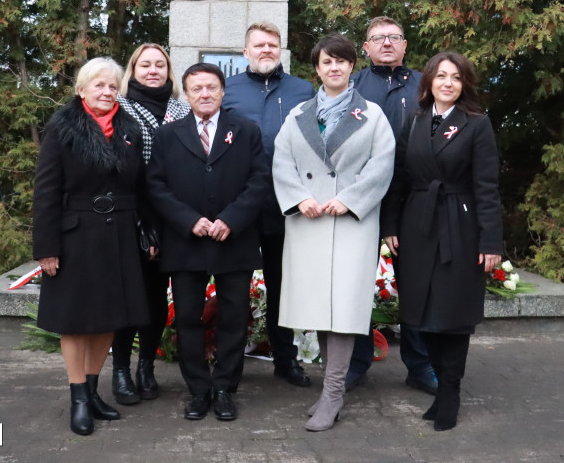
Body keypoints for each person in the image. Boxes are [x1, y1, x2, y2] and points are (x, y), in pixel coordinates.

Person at [272, 33, 395, 431]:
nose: (335, 68)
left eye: (341, 61)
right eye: (327, 62)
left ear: (351, 66)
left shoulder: (372, 115)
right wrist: (297, 197)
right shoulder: (298, 114)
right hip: (309, 220)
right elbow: (282, 161)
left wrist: (351, 199)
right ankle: (330, 389)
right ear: (318, 69)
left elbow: (382, 165)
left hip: (350, 223)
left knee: (343, 308)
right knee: (318, 308)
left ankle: (333, 392)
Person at [380, 52, 504, 431]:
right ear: (429, 81)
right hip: (417, 226)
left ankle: (449, 391)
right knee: (420, 314)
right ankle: (435, 375)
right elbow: (397, 179)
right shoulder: (414, 121)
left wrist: (491, 242)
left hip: (459, 226)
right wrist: (390, 226)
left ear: (464, 84)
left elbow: (487, 188)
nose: (448, 83)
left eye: (456, 77)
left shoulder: (476, 124)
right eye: (441, 76)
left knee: (451, 315)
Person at [145, 63, 270, 422]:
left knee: (234, 317)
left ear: (222, 91)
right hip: (187, 241)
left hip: (234, 238)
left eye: (211, 87)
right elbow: (156, 185)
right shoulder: (168, 135)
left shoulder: (246, 131)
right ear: (186, 94)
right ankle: (199, 390)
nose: (205, 94)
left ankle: (226, 389)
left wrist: (230, 219)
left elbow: (259, 180)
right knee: (187, 318)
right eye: (197, 88)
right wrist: (189, 221)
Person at [32, 57, 149, 436]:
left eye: (113, 86)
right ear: (81, 90)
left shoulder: (130, 129)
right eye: (98, 85)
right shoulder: (63, 128)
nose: (106, 91)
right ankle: (78, 397)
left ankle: (95, 391)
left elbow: (141, 187)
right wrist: (46, 247)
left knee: (110, 319)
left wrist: (148, 232)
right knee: (76, 321)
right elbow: (46, 190)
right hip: (75, 236)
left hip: (119, 236)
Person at [346, 16, 437, 395]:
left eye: (394, 37)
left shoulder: (425, 86)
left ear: (405, 46)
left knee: (416, 289)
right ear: (364, 48)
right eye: (377, 38)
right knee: (355, 286)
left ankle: (420, 365)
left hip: (412, 202)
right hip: (360, 202)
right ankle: (355, 364)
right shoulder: (350, 87)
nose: (386, 43)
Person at [223, 22, 315, 388]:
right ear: (245, 52)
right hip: (241, 204)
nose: (266, 50)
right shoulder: (227, 90)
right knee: (234, 287)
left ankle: (285, 359)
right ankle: (230, 363)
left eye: (272, 45)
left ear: (281, 51)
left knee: (282, 285)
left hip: (286, 202)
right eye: (258, 45)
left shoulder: (302, 90)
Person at [110, 44, 191, 405]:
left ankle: (146, 366)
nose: (153, 70)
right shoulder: (119, 108)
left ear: (169, 71)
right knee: (130, 298)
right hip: (135, 217)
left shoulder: (183, 107)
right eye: (145, 65)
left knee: (158, 299)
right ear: (133, 70)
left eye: (160, 64)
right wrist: (143, 220)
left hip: (175, 216)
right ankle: (121, 371)